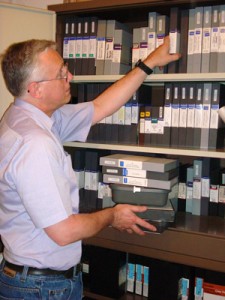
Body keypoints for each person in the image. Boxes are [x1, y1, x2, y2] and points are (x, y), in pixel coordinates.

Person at [0, 36, 180, 299]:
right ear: (36, 89)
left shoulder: (23, 117)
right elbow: (64, 232)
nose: (70, 76)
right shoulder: (35, 143)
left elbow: (99, 107)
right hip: (41, 288)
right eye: (61, 74)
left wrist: (149, 63)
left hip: (30, 278)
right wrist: (112, 216)